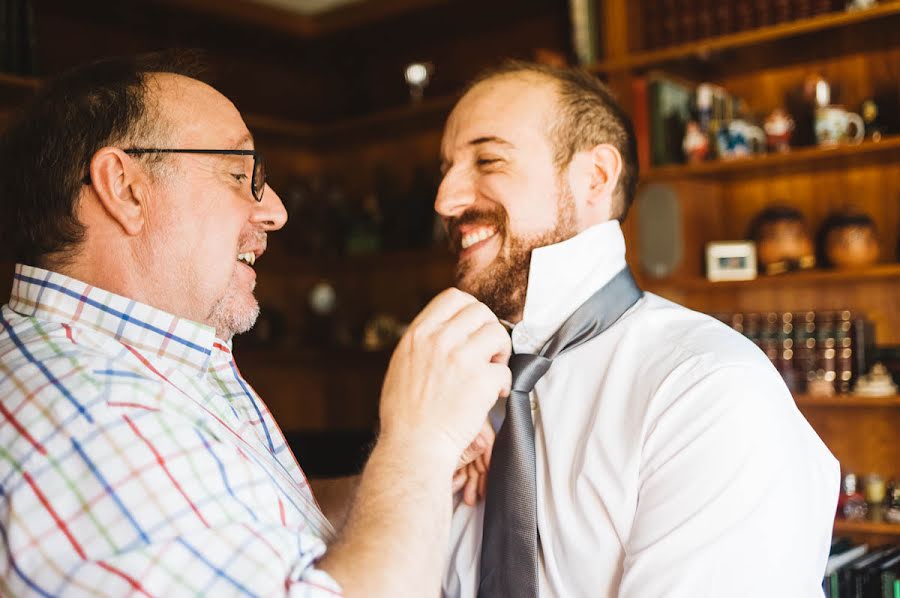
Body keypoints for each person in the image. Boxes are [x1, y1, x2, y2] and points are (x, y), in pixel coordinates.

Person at [0, 53, 511, 597]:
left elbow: (242, 531)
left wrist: (404, 480)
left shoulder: (119, 376)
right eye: (240, 174)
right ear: (125, 188)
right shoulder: (92, 417)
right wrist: (417, 444)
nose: (276, 211)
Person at [436, 60, 840, 597]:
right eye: (446, 169)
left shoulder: (708, 390)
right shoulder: (450, 392)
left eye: (488, 160)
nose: (445, 199)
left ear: (596, 177)